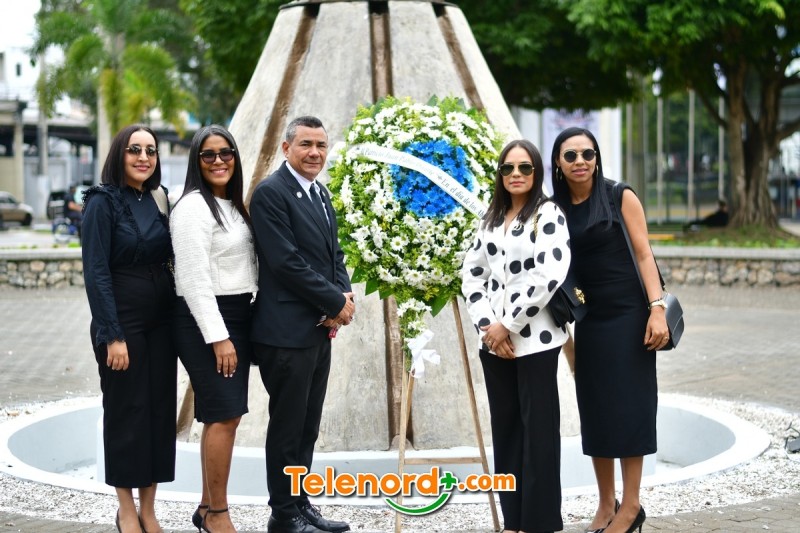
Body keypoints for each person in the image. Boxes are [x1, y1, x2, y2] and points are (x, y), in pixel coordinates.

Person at [551, 127, 669, 533]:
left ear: (596, 157)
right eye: (571, 155)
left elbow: (644, 254)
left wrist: (656, 310)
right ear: (558, 163)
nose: (580, 161)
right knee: (596, 409)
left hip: (630, 316)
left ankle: (631, 506)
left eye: (587, 153)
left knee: (631, 408)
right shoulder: (554, 209)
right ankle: (606, 505)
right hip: (589, 319)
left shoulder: (620, 195)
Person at [249, 116, 354, 533]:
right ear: (286, 148)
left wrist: (344, 296)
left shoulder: (320, 193)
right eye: (306, 144)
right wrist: (333, 301)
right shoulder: (270, 193)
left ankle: (301, 503)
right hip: (285, 333)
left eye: (321, 145)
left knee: (308, 425)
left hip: (317, 330)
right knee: (288, 426)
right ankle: (283, 514)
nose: (314, 153)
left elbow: (334, 255)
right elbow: (286, 262)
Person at [461, 139, 571, 533]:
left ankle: (539, 523)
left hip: (536, 340)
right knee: (506, 432)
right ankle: (513, 521)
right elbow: (471, 274)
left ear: (536, 172)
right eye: (508, 168)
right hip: (494, 344)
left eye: (525, 167)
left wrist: (507, 324)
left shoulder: (548, 214)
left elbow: (548, 276)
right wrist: (488, 326)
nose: (516, 174)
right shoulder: (491, 218)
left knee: (539, 433)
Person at [81, 124, 177, 533]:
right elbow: (95, 271)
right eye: (135, 149)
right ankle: (125, 510)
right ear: (119, 154)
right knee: (126, 414)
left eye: (151, 151)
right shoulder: (102, 202)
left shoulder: (159, 198)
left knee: (159, 413)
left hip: (162, 325)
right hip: (122, 323)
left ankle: (149, 510)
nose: (143, 157)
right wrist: (113, 335)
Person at [171, 125, 258, 533]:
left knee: (221, 416)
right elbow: (192, 279)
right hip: (206, 319)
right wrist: (218, 336)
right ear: (196, 161)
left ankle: (207, 508)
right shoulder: (192, 207)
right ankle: (218, 515)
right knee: (225, 415)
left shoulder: (231, 205)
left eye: (226, 153)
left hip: (236, 314)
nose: (219, 160)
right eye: (209, 154)